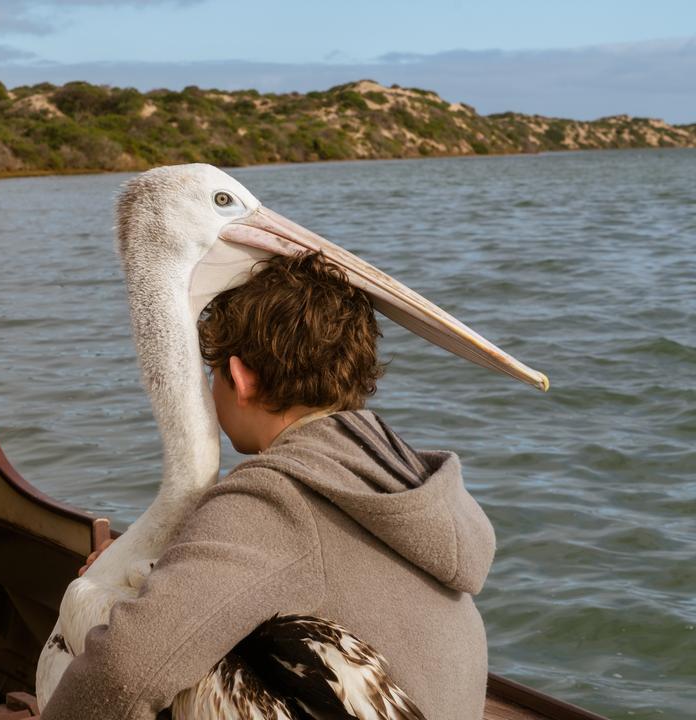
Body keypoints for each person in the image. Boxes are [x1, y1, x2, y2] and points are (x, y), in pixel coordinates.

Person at [44, 252, 495, 719]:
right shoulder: (401, 477)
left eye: (212, 374)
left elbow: (125, 668)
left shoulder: (275, 499)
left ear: (240, 378)